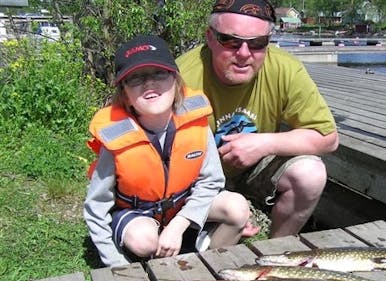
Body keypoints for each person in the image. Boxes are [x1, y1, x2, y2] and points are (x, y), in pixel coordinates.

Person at [84, 34, 250, 267]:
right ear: (125, 94)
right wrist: (114, 263)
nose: (149, 84)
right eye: (135, 79)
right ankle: (151, 259)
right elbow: (95, 208)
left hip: (182, 207)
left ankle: (210, 262)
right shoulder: (116, 139)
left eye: (159, 74)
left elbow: (211, 182)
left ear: (176, 81)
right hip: (139, 215)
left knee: (237, 207)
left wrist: (178, 224)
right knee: (143, 241)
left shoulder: (196, 122)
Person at [177, 0, 339, 238]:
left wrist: (262, 144)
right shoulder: (180, 78)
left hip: (249, 169)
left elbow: (328, 138)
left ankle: (277, 249)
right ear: (210, 38)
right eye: (230, 41)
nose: (244, 53)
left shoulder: (285, 69)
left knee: (310, 174)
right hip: (194, 177)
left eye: (257, 43)